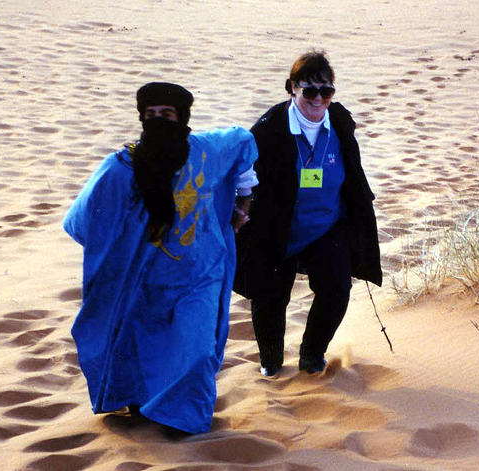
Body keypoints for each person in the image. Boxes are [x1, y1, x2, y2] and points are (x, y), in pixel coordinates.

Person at [63, 82, 258, 434]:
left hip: (199, 275)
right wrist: (117, 252)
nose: (157, 122)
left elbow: (242, 141)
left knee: (197, 350)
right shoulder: (121, 168)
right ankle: (146, 408)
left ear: (182, 119)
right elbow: (80, 222)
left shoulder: (205, 151)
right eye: (150, 115)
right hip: (145, 281)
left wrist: (243, 201)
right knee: (143, 348)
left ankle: (186, 423)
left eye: (166, 115)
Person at [234, 51, 382, 377]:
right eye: (309, 90)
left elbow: (353, 172)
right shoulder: (268, 130)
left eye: (326, 91)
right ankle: (271, 364)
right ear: (292, 87)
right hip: (279, 229)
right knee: (269, 298)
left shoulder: (339, 123)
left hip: (327, 225)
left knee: (337, 289)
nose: (318, 98)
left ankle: (312, 356)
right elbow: (242, 177)